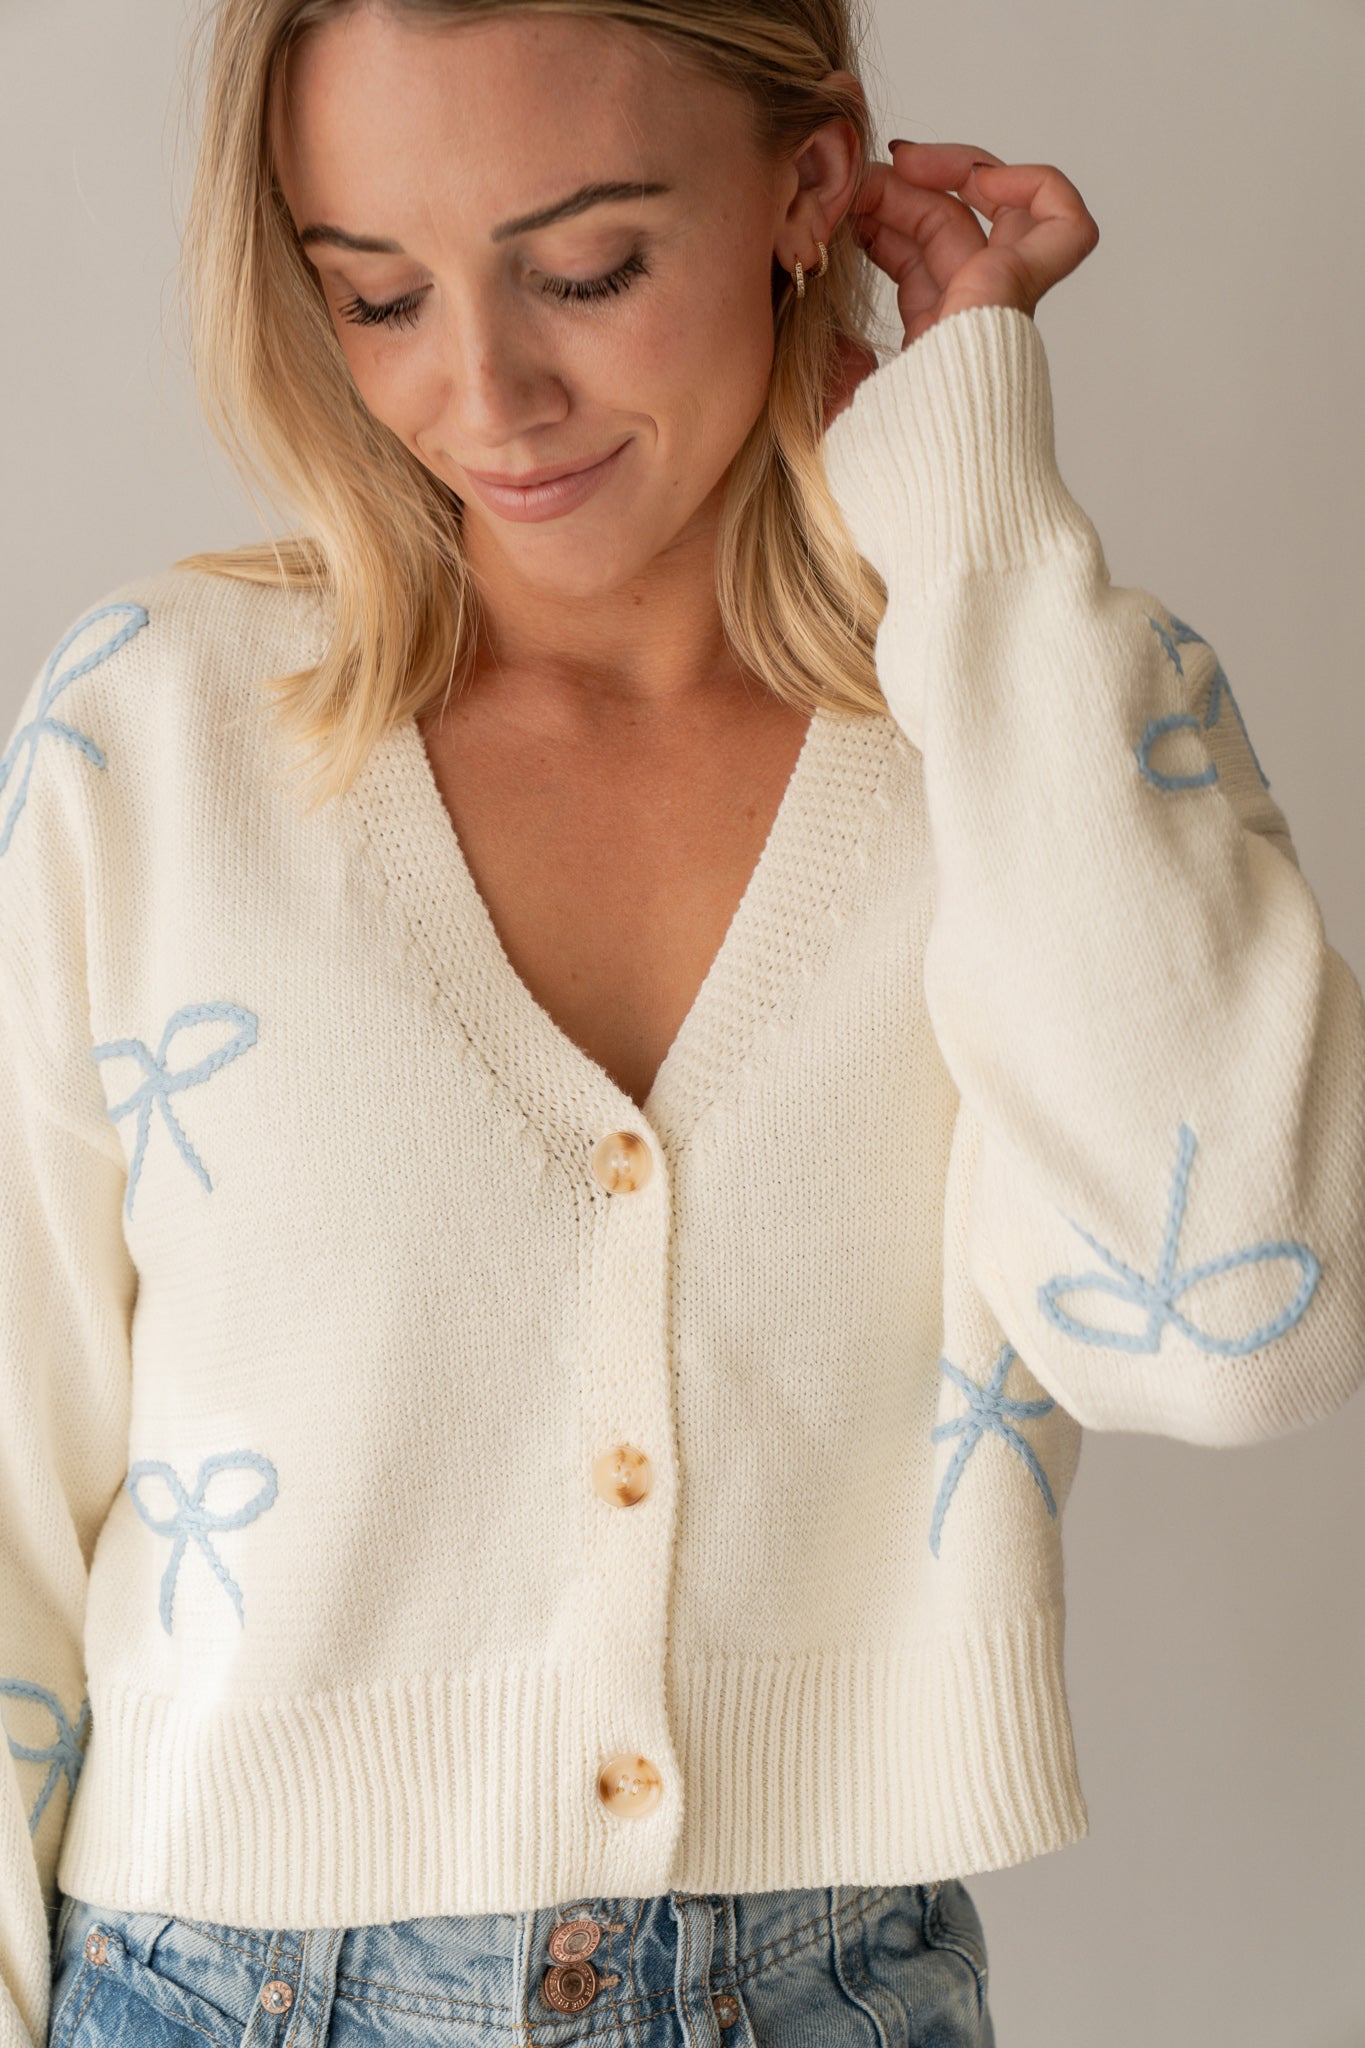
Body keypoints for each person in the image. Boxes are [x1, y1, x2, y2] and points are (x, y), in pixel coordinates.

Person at [5, 2, 1363, 2044]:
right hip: (213, 1990)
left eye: (584, 269)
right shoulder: (155, 738)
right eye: (377, 295)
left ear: (805, 188)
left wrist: (972, 518)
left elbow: (1237, 1336)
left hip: (827, 1989)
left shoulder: (1025, 713)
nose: (485, 394)